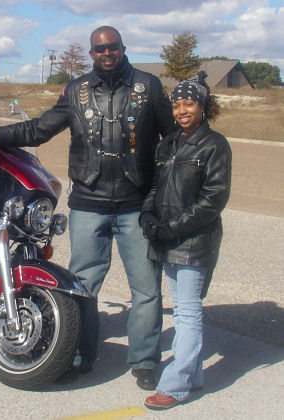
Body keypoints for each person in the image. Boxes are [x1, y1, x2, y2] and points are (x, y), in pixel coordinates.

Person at [0, 25, 175, 389]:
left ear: (123, 48)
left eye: (112, 47)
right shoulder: (76, 91)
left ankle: (144, 360)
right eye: (99, 49)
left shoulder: (149, 86)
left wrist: (168, 190)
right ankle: (80, 353)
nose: (106, 53)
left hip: (136, 205)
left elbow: (171, 139)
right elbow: (40, 129)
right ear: (91, 53)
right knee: (81, 285)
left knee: (146, 288)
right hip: (88, 204)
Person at [139, 71, 232, 409]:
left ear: (203, 106)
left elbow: (213, 199)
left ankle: (175, 386)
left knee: (187, 312)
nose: (181, 110)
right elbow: (155, 186)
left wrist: (173, 228)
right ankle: (193, 376)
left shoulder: (215, 145)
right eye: (177, 105)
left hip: (194, 240)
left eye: (188, 103)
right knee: (181, 311)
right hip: (166, 237)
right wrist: (148, 215)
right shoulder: (169, 143)